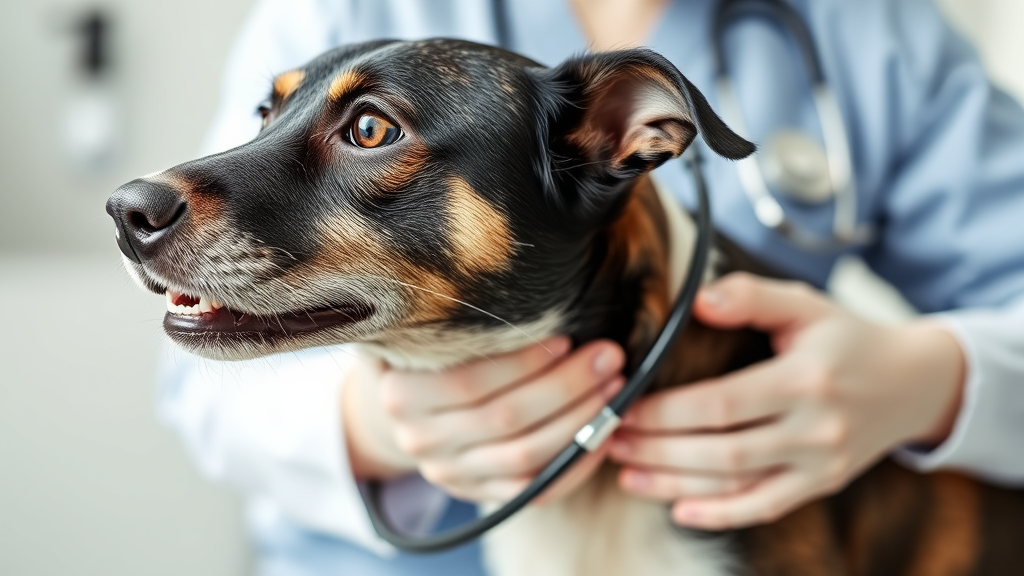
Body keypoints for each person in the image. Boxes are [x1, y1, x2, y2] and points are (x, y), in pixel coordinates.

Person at [159, 0, 1024, 574]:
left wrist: (937, 380)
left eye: (370, 128)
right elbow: (193, 403)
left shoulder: (869, 29)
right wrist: (373, 427)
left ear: (621, 135)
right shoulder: (339, 7)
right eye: (275, 119)